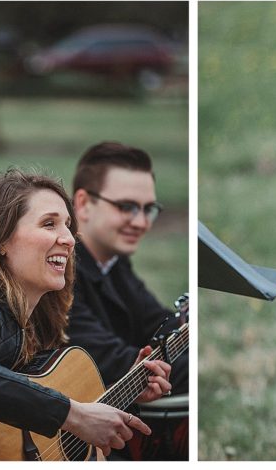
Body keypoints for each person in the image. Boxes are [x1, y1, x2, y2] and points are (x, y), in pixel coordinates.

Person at [0, 170, 172, 459]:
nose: (69, 239)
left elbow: (29, 418)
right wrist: (73, 415)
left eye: (68, 225)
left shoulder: (37, 314)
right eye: (49, 224)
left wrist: (125, 391)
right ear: (0, 240)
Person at [67, 142, 188, 395]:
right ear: (84, 203)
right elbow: (113, 362)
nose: (141, 222)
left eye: (148, 209)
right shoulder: (60, 273)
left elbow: (158, 324)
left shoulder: (114, 261)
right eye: (126, 207)